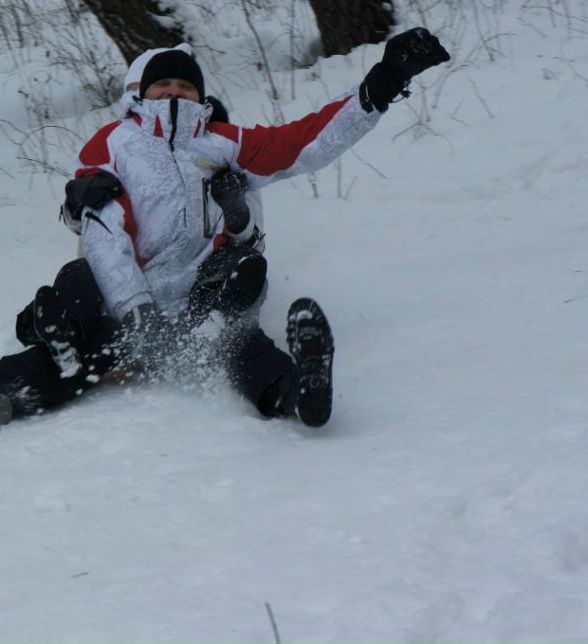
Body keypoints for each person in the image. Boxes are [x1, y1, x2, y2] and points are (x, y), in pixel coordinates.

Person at [0, 49, 267, 439]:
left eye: (182, 87)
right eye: (155, 90)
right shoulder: (124, 149)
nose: (168, 98)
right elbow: (90, 230)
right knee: (60, 335)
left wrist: (237, 216)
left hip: (182, 314)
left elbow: (251, 249)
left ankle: (58, 336)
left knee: (61, 357)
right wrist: (78, 203)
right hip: (112, 314)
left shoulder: (227, 161)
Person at [68, 27, 449, 426]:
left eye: (185, 84)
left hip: (206, 294)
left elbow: (302, 143)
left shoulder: (222, 145)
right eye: (161, 83)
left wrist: (382, 83)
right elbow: (101, 233)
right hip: (133, 307)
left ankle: (298, 394)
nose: (174, 92)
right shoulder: (115, 144)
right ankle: (17, 382)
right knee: (71, 294)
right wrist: (135, 310)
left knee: (244, 343)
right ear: (139, 93)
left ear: (200, 95)